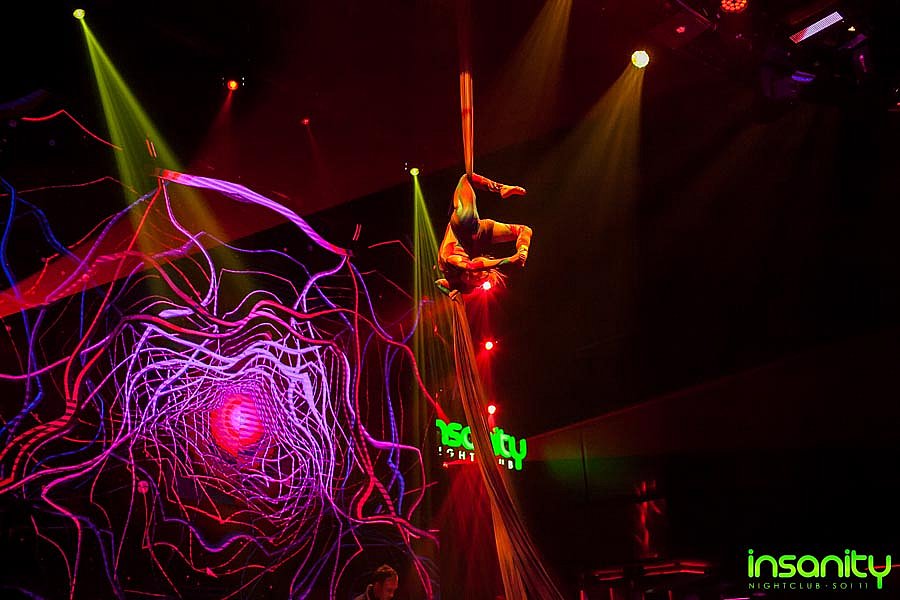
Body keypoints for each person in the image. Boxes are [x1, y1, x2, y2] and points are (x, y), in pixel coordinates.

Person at [435, 173, 533, 300]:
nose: (474, 274)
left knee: (466, 179)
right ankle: (501, 188)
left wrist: (509, 260)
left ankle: (501, 188)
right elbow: (475, 267)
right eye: (481, 274)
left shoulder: (452, 262)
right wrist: (521, 253)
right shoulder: (466, 275)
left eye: (474, 277)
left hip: (463, 227)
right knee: (524, 230)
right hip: (478, 234)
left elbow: (439, 283)